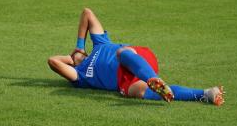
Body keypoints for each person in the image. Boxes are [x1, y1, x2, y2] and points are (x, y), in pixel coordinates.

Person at [48, 8, 225, 106]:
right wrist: (71, 59)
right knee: (137, 93)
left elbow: (87, 13)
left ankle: (152, 78)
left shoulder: (99, 44)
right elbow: (53, 61)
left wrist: (79, 47)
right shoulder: (79, 76)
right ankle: (205, 94)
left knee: (121, 53)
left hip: (136, 59)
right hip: (127, 81)